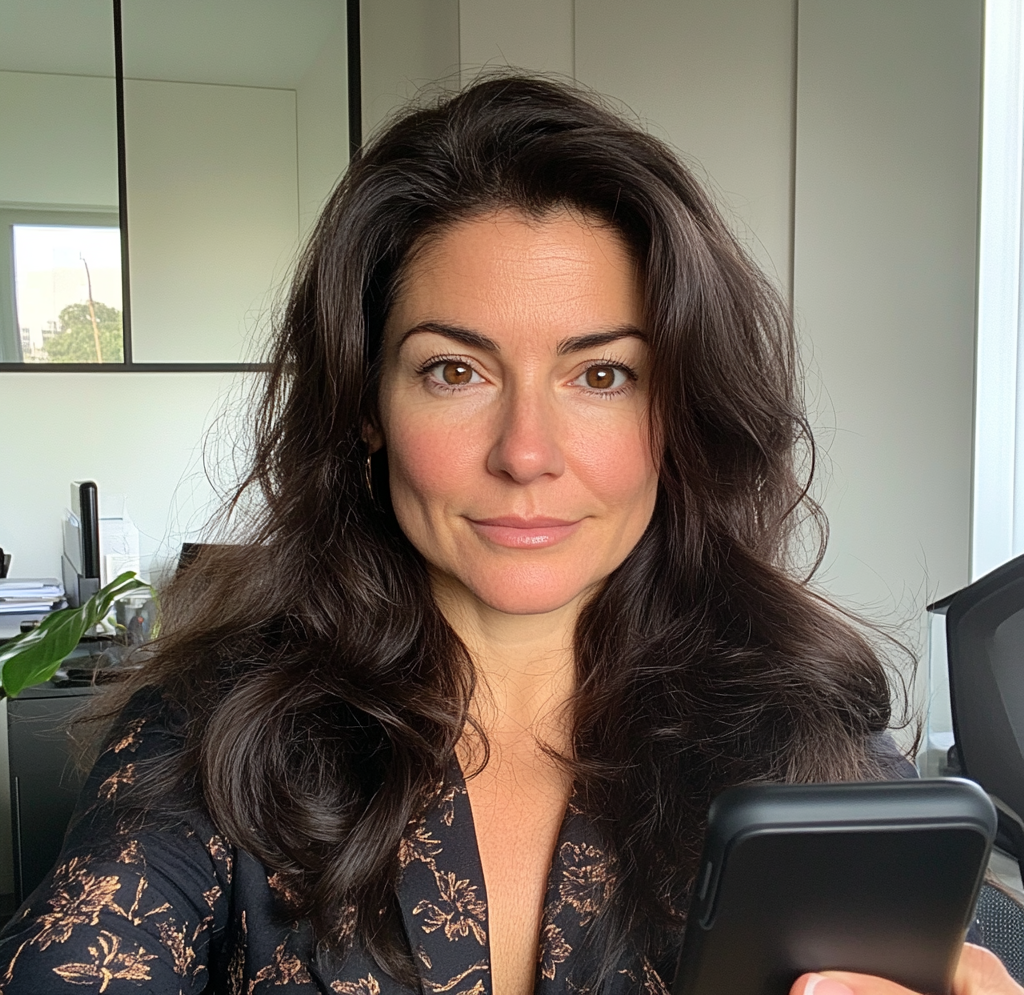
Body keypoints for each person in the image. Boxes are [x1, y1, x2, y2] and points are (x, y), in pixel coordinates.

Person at [0, 75, 1018, 995]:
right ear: (367, 405)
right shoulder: (214, 737)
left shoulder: (814, 748)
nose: (525, 453)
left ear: (677, 410)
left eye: (601, 374)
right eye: (455, 370)